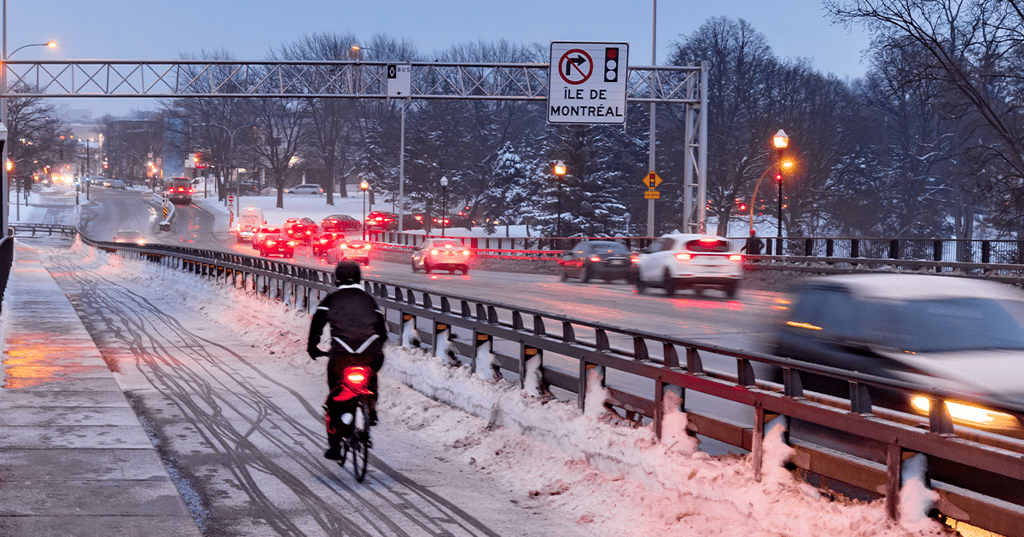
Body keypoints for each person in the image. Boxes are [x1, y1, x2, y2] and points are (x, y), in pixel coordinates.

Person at [307, 260, 387, 461]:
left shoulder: (331, 300)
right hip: (371, 352)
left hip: (342, 355)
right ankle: (370, 405)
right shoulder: (369, 300)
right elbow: (382, 331)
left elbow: (317, 324)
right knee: (370, 375)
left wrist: (312, 347)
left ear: (337, 278)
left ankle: (335, 445)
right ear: (359, 277)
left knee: (337, 393)